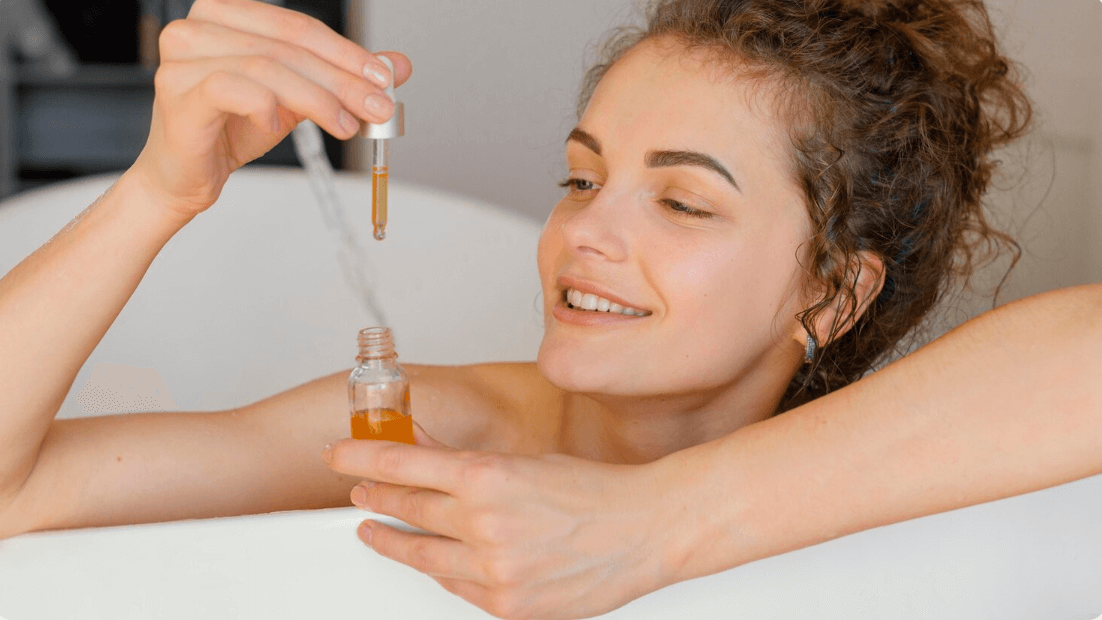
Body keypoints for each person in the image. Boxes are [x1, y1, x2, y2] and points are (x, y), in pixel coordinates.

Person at [0, 0, 1097, 618]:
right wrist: (158, 191)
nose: (584, 235)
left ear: (831, 289)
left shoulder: (902, 465)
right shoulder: (435, 428)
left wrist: (650, 524)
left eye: (680, 199)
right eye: (580, 178)